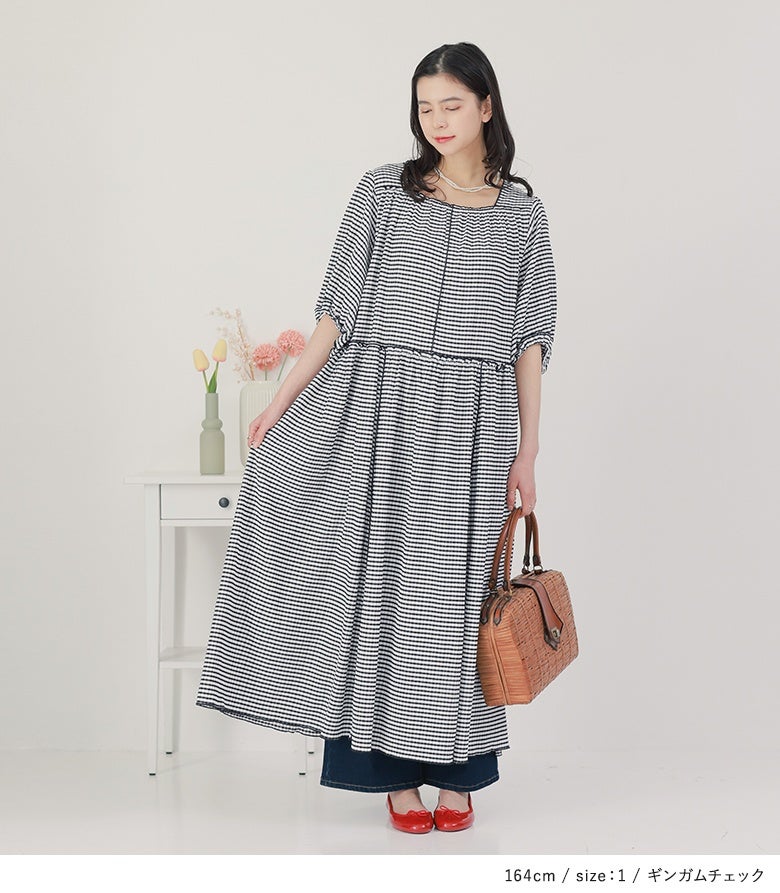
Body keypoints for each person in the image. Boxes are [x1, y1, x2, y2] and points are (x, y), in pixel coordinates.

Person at [195, 41, 557, 835]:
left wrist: (528, 450)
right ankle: (390, 776)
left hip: (473, 422)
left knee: (454, 600)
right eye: (425, 107)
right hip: (376, 408)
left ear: (486, 107)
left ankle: (457, 771)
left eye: (452, 104)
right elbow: (337, 311)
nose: (437, 121)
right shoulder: (381, 192)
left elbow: (531, 342)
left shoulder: (524, 216)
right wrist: (283, 400)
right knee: (378, 587)